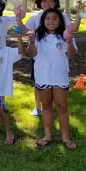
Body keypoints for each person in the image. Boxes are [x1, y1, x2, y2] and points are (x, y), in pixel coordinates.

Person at [18, 0, 81, 117]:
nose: (46, 3)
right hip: (39, 53)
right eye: (44, 1)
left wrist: (79, 13)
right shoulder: (36, 17)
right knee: (38, 81)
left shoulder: (62, 17)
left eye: (50, 1)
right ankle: (38, 107)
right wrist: (18, 17)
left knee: (56, 84)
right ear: (40, 3)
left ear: (55, 3)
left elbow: (72, 29)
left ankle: (56, 110)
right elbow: (24, 29)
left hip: (58, 54)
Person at [27, 8, 77, 150]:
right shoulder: (37, 35)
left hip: (59, 76)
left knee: (62, 107)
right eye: (47, 18)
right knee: (46, 106)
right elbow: (31, 53)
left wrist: (69, 41)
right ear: (43, 21)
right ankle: (47, 135)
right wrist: (31, 42)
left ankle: (65, 137)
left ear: (60, 21)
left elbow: (72, 55)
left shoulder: (66, 34)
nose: (51, 21)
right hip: (43, 76)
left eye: (54, 18)